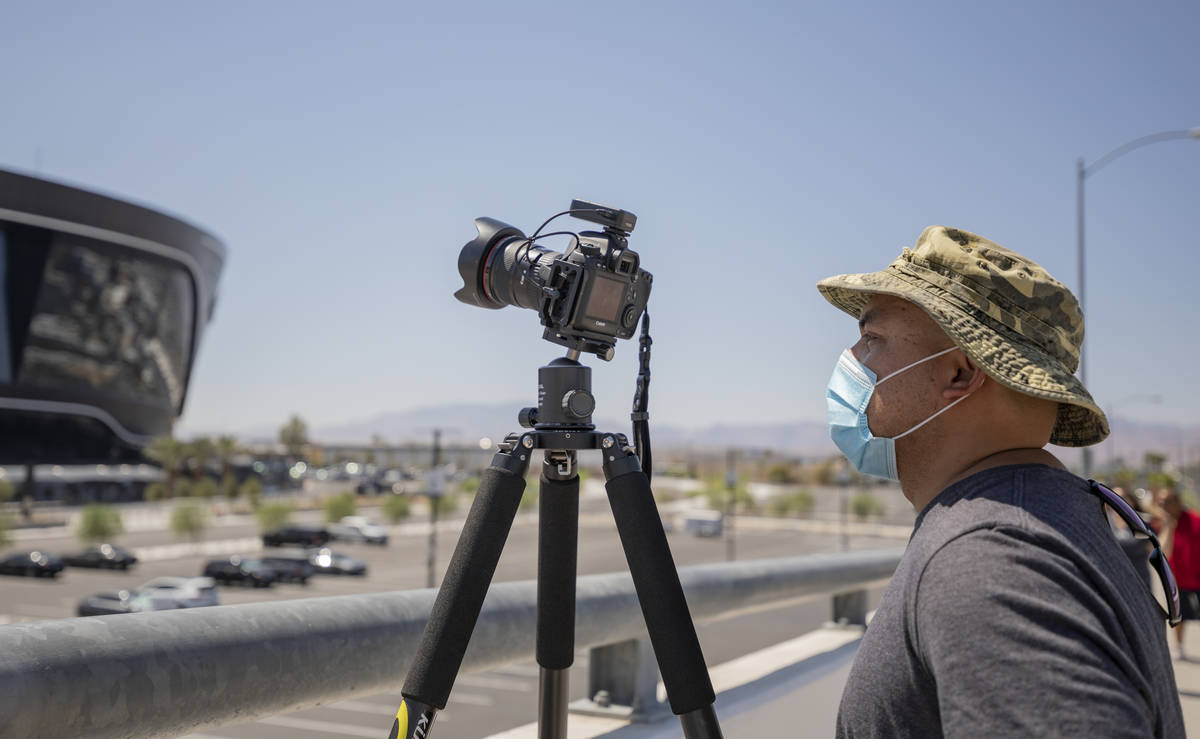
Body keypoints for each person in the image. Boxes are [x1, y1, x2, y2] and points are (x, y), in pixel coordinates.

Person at [818, 226, 1183, 738]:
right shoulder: (1049, 516)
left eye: (871, 338)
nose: (853, 358)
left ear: (959, 373)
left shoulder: (994, 560)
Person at [1154, 487, 1200, 659]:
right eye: (1160, 502)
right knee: (1180, 616)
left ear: (1178, 502)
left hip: (1198, 577)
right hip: (1178, 580)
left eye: (1167, 502)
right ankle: (1179, 647)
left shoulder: (1195, 519)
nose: (1163, 505)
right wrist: (1169, 526)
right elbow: (1163, 552)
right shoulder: (1162, 524)